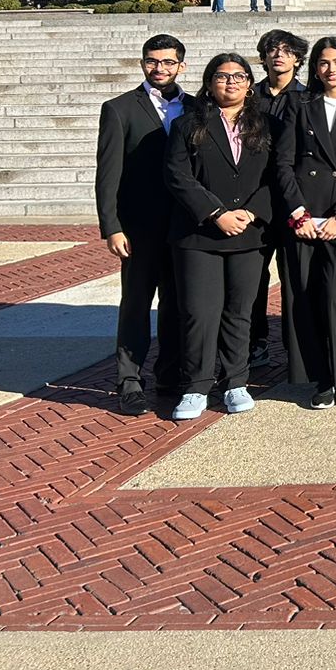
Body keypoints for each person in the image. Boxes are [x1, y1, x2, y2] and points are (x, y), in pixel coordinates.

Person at [163, 53, 276, 421]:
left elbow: (278, 176)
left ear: (250, 83)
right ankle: (196, 385)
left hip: (248, 233)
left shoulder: (268, 125)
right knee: (199, 312)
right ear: (209, 82)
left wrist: (250, 212)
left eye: (239, 76)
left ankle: (235, 382)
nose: (231, 83)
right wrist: (216, 214)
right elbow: (178, 176)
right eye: (222, 76)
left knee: (240, 312)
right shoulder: (186, 125)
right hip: (199, 236)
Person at [274, 36, 336, 409]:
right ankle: (319, 376)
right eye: (323, 63)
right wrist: (297, 212)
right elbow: (283, 163)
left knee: (333, 293)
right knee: (303, 294)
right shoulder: (297, 104)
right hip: (302, 215)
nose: (330, 69)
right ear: (314, 68)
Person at [95, 34, 191, 416]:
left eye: (168, 62)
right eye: (153, 61)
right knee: (136, 303)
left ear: (181, 66)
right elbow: (108, 174)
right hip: (139, 227)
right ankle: (129, 379)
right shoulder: (119, 109)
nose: (160, 69)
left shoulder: (197, 107)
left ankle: (169, 372)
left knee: (176, 303)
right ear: (142, 64)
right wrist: (112, 226)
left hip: (184, 225)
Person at [249, 28, 308, 365]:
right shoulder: (249, 95)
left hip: (295, 197)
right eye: (271, 49)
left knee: (295, 275)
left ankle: (295, 344)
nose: (278, 55)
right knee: (254, 276)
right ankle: (256, 340)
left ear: (298, 58)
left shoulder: (308, 96)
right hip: (256, 199)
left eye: (286, 50)